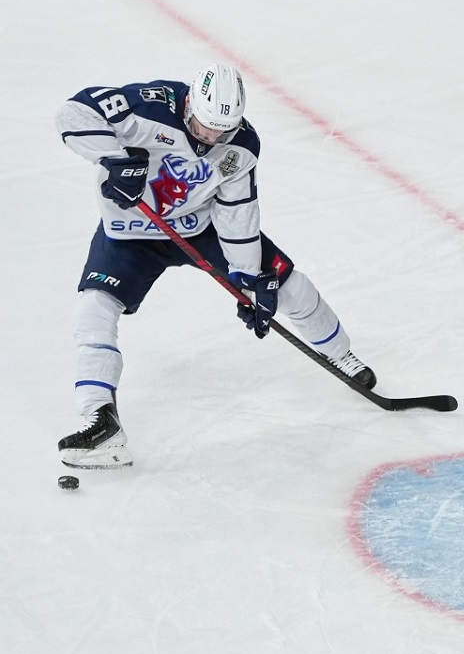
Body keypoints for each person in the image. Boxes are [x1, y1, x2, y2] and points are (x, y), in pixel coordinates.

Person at [55, 64, 376, 469]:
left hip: (200, 231)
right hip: (131, 234)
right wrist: (114, 159)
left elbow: (237, 212)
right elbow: (74, 112)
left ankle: (341, 355)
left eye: (221, 132)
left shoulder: (240, 147)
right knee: (93, 309)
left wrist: (248, 277)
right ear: (189, 103)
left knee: (286, 284)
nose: (210, 139)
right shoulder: (147, 108)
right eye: (204, 127)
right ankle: (101, 418)